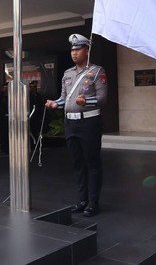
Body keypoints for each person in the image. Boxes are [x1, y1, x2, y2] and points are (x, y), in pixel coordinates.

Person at [45, 34, 108, 217]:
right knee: (78, 163)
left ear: (86, 50)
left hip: (89, 122)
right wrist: (55, 104)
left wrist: (85, 101)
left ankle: (93, 202)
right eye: (72, 49)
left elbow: (102, 98)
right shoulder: (67, 73)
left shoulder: (97, 71)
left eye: (78, 49)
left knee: (92, 162)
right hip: (70, 123)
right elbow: (65, 98)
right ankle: (82, 200)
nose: (74, 53)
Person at [29, 80, 44, 147]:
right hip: (30, 115)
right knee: (30, 130)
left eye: (35, 87)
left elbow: (41, 105)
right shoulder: (27, 95)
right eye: (33, 87)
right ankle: (31, 144)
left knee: (36, 130)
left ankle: (36, 145)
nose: (35, 88)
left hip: (36, 115)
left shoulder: (38, 95)